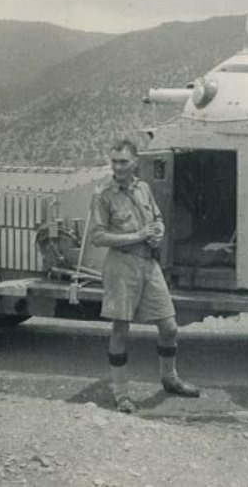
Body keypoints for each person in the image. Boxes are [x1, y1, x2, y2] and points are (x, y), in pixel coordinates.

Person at [90, 139, 200, 413]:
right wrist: (137, 235)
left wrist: (158, 232)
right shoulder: (103, 195)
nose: (118, 167)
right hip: (121, 265)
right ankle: (121, 395)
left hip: (148, 264)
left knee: (169, 326)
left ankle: (170, 378)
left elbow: (158, 218)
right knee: (120, 329)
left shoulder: (144, 189)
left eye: (123, 161)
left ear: (135, 162)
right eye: (114, 161)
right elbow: (98, 236)